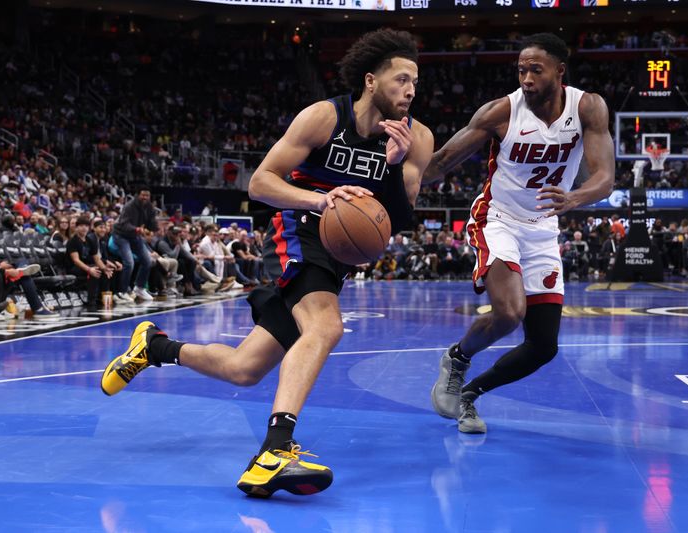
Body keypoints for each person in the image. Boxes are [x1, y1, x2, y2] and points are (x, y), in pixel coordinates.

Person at [100, 28, 434, 497]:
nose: (411, 90)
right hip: (297, 231)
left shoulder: (416, 138)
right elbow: (260, 183)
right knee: (325, 327)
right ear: (371, 81)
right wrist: (319, 201)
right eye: (401, 79)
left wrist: (394, 165)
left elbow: (400, 218)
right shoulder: (324, 117)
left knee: (245, 368)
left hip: (336, 256)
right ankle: (275, 450)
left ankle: (154, 348)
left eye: (416, 82)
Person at [424, 33, 614, 434]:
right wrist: (391, 185)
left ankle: (470, 394)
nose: (526, 78)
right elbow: (441, 162)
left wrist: (574, 197)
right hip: (499, 219)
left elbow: (604, 179)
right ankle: (457, 359)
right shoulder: (501, 113)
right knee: (509, 314)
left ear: (560, 72)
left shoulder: (588, 107)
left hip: (544, 228)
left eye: (535, 70)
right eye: (521, 70)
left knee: (543, 347)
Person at [111, 186, 157, 302]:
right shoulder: (129, 206)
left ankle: (139, 288)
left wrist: (153, 228)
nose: (145, 198)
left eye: (147, 195)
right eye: (143, 195)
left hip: (134, 236)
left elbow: (151, 223)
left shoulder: (149, 207)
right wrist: (137, 229)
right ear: (138, 195)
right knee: (129, 262)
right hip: (121, 235)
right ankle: (122, 291)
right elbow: (124, 224)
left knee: (148, 261)